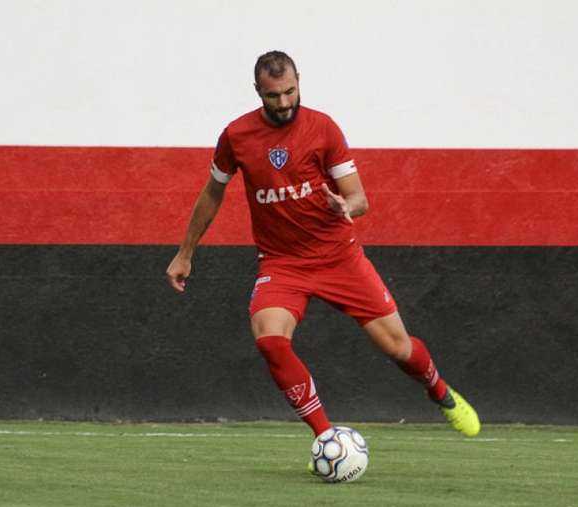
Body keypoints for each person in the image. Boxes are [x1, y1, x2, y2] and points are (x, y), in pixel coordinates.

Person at [166, 50, 480, 442]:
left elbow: (360, 199)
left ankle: (440, 392)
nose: (283, 103)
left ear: (299, 81)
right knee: (269, 338)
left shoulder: (323, 128)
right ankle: (327, 437)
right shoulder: (236, 136)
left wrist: (344, 205)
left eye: (290, 92)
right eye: (273, 95)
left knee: (398, 348)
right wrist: (185, 253)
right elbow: (213, 194)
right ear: (257, 92)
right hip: (282, 264)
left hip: (339, 257)